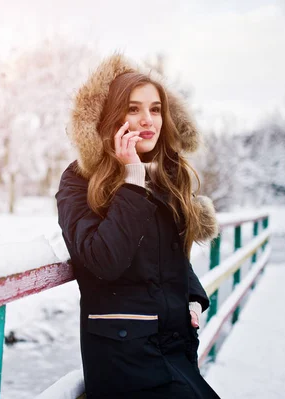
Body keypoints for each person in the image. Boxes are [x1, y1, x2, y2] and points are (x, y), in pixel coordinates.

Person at [55, 54, 221, 398]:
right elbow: (103, 260)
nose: (148, 120)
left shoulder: (165, 175)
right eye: (133, 109)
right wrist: (132, 179)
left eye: (156, 109)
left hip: (176, 348)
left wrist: (193, 298)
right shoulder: (78, 181)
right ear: (111, 116)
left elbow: (169, 255)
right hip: (127, 359)